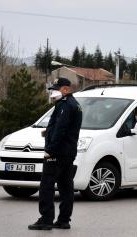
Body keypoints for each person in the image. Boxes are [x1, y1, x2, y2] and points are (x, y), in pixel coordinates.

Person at [28, 78, 83, 231]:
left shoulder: (65, 105)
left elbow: (61, 129)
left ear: (65, 89)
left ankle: (46, 220)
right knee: (66, 186)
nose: (53, 93)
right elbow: (64, 127)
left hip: (57, 152)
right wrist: (48, 131)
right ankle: (64, 220)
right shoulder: (75, 105)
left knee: (46, 185)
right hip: (68, 152)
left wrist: (50, 150)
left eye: (55, 89)